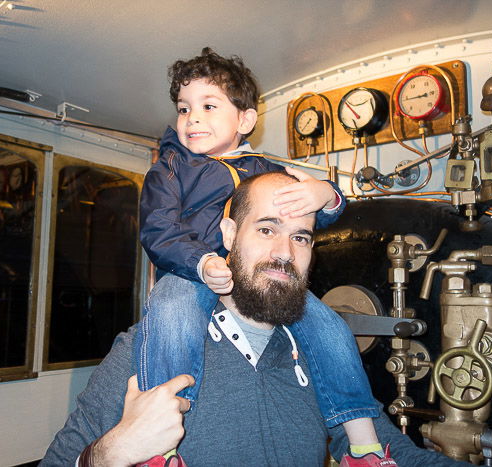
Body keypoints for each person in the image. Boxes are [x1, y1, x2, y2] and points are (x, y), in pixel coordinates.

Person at [41, 172, 471, 467]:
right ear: (229, 236)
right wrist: (111, 452)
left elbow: (394, 452)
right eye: (266, 229)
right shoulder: (148, 349)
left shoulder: (320, 353)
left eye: (300, 236)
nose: (285, 251)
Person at [136, 48, 386, 465]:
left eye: (208, 106)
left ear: (245, 120)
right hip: (189, 272)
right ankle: (161, 449)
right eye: (184, 108)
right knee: (170, 311)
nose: (192, 118)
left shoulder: (264, 171)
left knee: (329, 327)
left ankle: (365, 446)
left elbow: (310, 214)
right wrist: (202, 261)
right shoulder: (170, 168)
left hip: (254, 279)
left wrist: (327, 194)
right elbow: (158, 229)